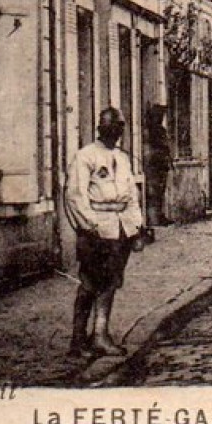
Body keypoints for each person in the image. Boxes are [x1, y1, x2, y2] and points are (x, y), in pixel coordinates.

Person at [63, 107, 144, 360]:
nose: (115, 131)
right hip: (96, 229)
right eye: (109, 126)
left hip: (120, 229)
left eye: (119, 126)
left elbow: (131, 195)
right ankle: (78, 339)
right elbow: (75, 195)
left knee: (110, 282)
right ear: (100, 128)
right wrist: (90, 226)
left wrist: (136, 226)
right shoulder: (85, 156)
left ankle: (100, 334)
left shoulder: (122, 158)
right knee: (89, 283)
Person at [142, 103, 172, 241]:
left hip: (161, 166)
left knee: (159, 192)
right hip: (154, 167)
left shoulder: (160, 130)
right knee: (153, 193)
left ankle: (159, 216)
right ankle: (153, 220)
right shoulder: (151, 131)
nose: (160, 118)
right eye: (159, 115)